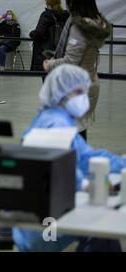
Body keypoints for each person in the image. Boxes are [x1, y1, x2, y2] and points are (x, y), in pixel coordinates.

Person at [12, 64, 126, 252]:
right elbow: (58, 170)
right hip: (44, 223)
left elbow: (86, 157)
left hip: (50, 212)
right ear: (61, 93)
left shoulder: (59, 119)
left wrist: (121, 162)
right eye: (79, 92)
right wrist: (87, 185)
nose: (84, 98)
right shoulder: (54, 124)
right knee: (105, 224)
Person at [43, 0, 111, 141]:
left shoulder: (80, 27)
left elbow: (71, 61)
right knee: (77, 127)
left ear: (73, 1)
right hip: (87, 81)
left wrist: (50, 64)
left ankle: (73, 164)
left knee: (72, 132)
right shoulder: (95, 23)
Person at [29, 0, 70, 73]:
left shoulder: (46, 15)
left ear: (46, 2)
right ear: (59, 1)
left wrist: (32, 34)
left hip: (47, 54)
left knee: (47, 80)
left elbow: (39, 33)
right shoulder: (66, 15)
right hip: (62, 52)